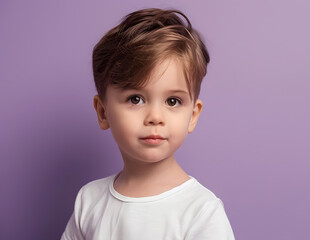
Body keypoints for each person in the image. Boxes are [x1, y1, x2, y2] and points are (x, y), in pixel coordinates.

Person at [61, 8, 235, 240]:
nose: (155, 116)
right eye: (136, 99)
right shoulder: (90, 200)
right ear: (103, 112)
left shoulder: (200, 212)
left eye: (173, 101)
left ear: (193, 115)